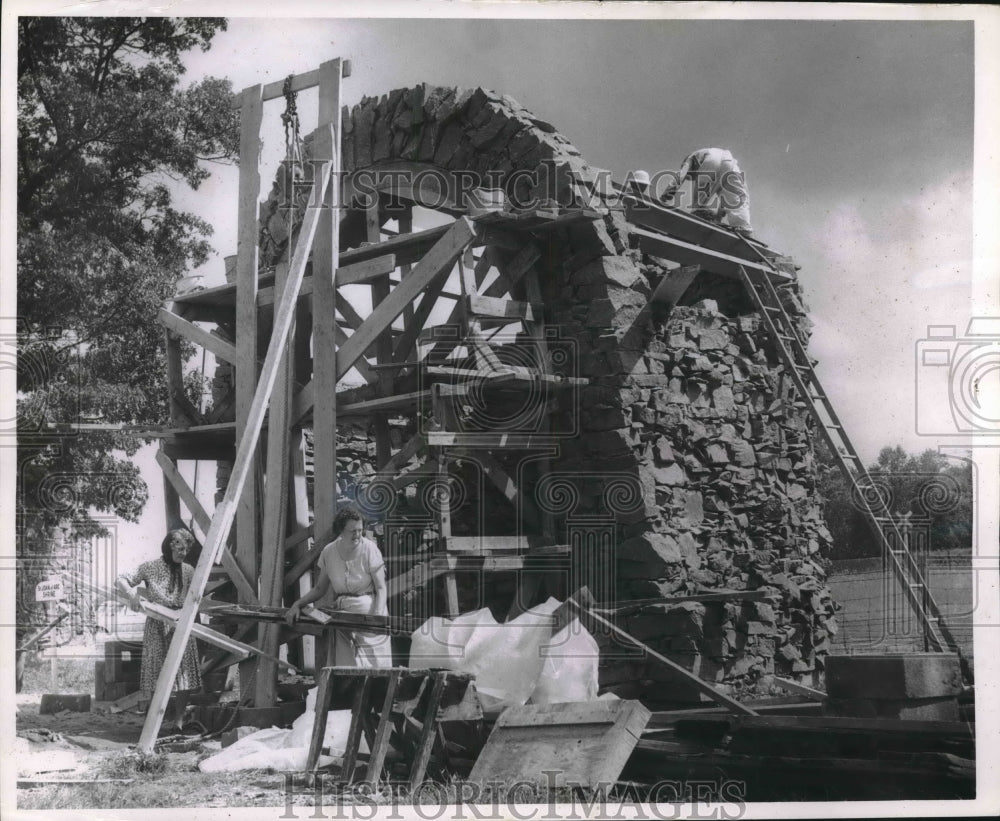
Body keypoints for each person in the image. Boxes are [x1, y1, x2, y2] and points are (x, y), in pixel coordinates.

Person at [285, 506, 392, 669]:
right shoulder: (329, 552)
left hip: (370, 613)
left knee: (375, 668)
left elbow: (381, 588)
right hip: (342, 615)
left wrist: (377, 618)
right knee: (346, 668)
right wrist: (297, 604)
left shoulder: (369, 549)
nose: (357, 535)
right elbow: (319, 589)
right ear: (340, 530)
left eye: (360, 530)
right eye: (352, 531)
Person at [115, 528, 202, 727]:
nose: (183, 553)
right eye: (180, 549)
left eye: (187, 550)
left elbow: (195, 596)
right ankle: (154, 720)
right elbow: (120, 579)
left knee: (185, 672)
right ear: (169, 546)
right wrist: (132, 595)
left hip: (180, 623)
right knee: (155, 671)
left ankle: (179, 720)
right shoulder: (150, 567)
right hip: (156, 623)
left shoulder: (188, 570)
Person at [659, 147, 753, 235]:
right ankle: (744, 228)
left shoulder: (691, 157)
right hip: (731, 162)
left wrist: (667, 194)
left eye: (691, 177)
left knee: (698, 207)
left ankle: (698, 222)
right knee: (735, 199)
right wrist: (718, 218)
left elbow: (681, 174)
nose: (693, 178)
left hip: (711, 160)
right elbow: (725, 201)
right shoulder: (713, 153)